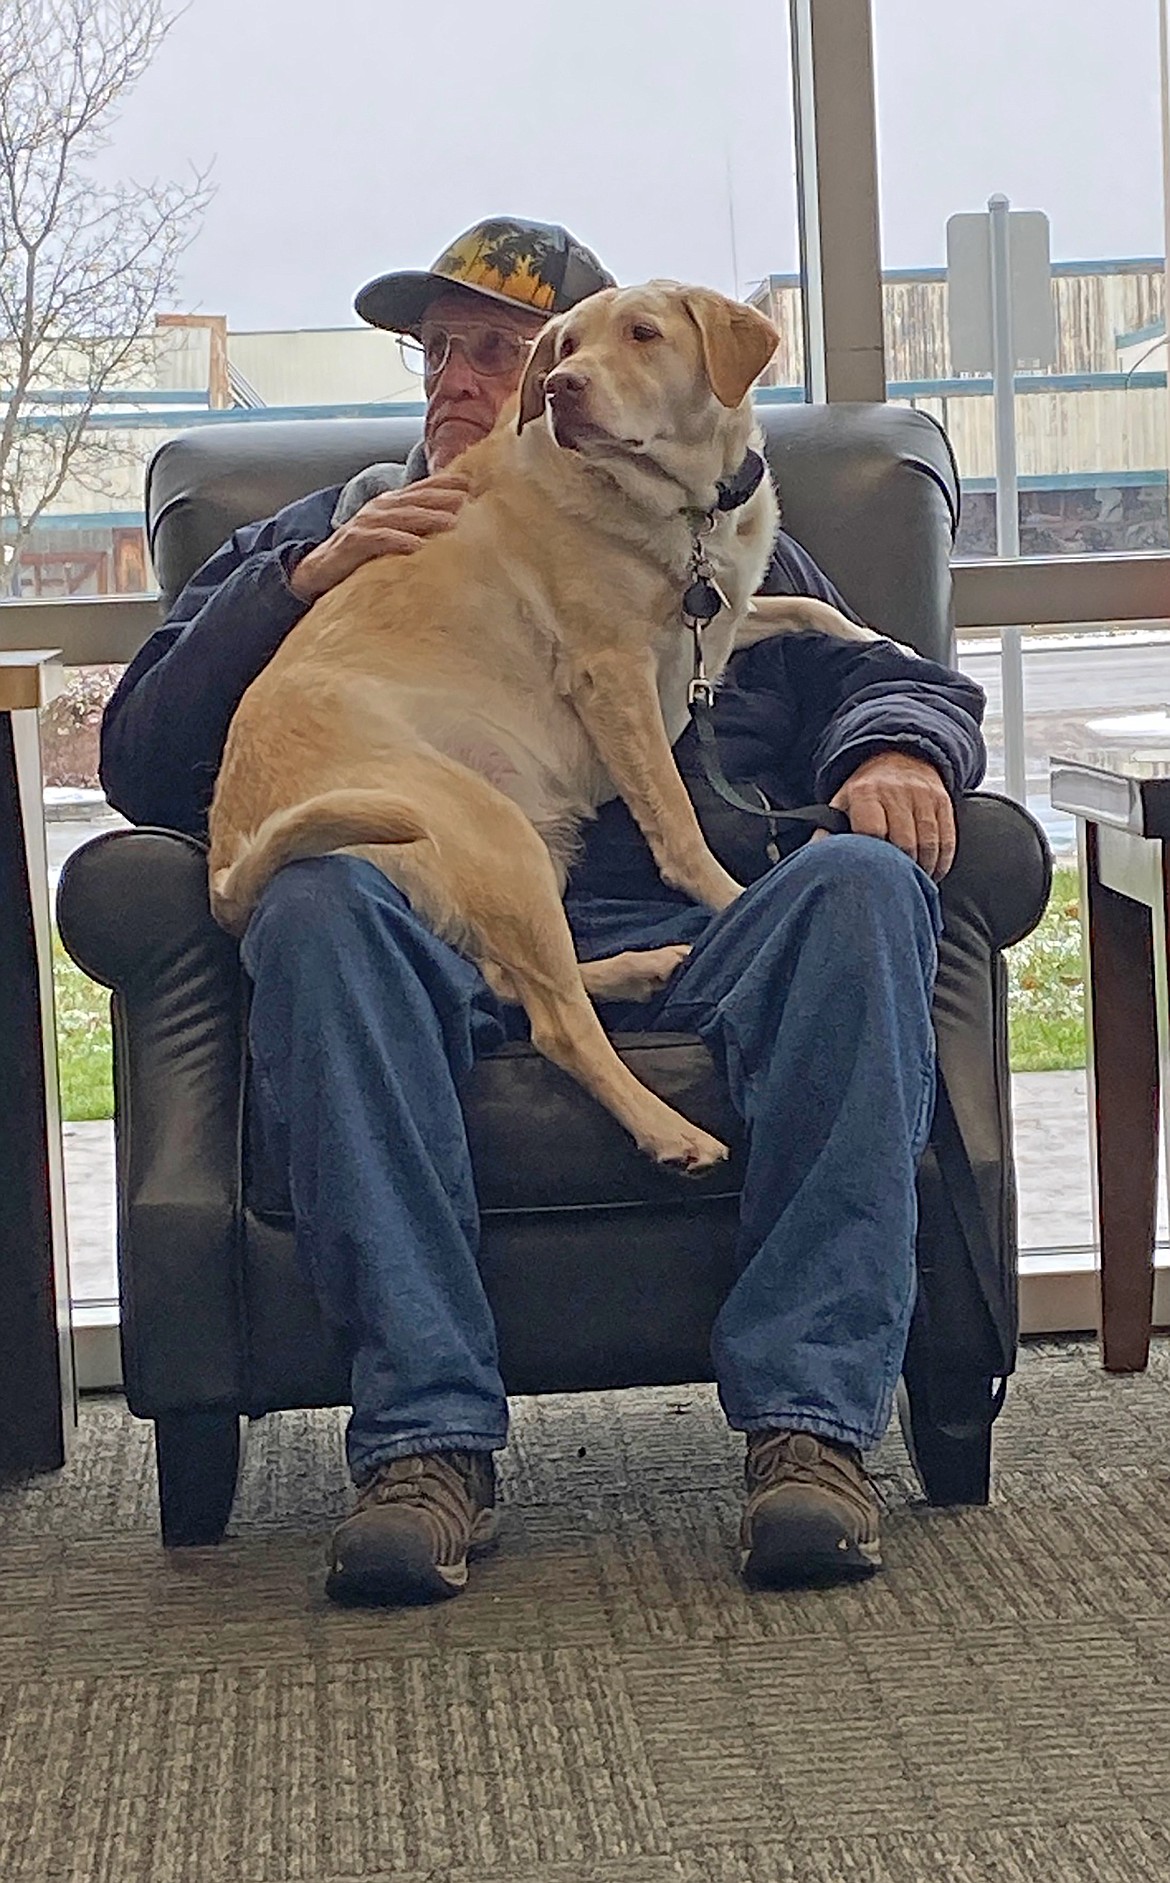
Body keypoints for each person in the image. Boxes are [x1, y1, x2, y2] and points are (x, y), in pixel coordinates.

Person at [100, 216, 986, 1605]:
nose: (468, 381)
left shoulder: (703, 526)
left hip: (697, 926)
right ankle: (425, 1445)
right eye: (438, 351)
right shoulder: (318, 531)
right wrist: (296, 588)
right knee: (318, 907)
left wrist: (895, 750)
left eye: (502, 350)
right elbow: (142, 758)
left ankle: (812, 1429)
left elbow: (880, 666)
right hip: (421, 917)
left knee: (863, 889)